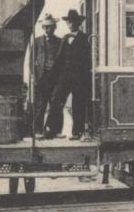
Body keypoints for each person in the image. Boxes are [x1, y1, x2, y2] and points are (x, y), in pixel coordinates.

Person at [43, 9, 91, 140]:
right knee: (56, 101)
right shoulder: (65, 38)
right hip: (64, 77)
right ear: (67, 23)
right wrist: (52, 78)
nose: (71, 24)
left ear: (78, 23)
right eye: (69, 22)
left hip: (79, 77)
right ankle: (51, 130)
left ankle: (77, 132)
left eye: (74, 22)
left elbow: (87, 59)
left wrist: (85, 76)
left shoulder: (85, 38)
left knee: (78, 104)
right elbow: (59, 60)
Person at [32, 13, 61, 136]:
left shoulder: (59, 41)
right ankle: (38, 130)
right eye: (46, 27)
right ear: (43, 28)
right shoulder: (37, 41)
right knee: (40, 104)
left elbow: (62, 60)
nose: (48, 29)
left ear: (55, 28)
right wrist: (34, 76)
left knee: (55, 104)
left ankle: (54, 130)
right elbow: (31, 61)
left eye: (51, 27)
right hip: (41, 77)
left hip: (55, 77)